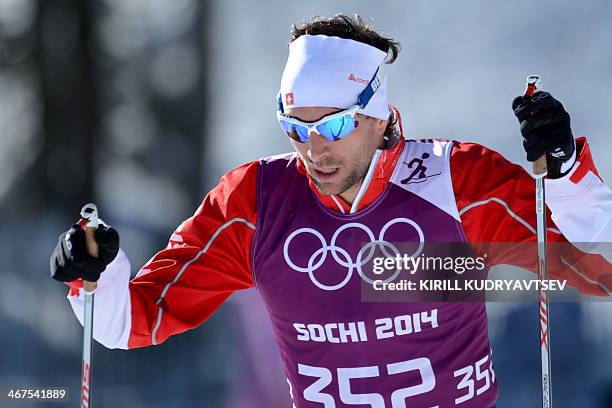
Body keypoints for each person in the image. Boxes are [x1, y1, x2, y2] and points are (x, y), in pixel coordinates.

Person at [50, 14, 612, 407]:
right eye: (296, 129)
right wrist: (94, 275)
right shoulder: (257, 201)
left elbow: (597, 267)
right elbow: (134, 319)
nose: (315, 150)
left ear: (377, 110)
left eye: (335, 125)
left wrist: (564, 174)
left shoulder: (454, 182)